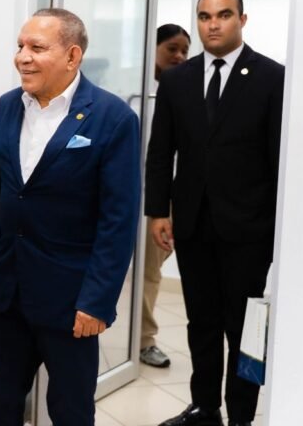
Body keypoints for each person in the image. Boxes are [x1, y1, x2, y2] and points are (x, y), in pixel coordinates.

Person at [0, 8, 141, 426]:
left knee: (70, 411)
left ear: (72, 56)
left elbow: (117, 222)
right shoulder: (9, 106)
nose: (22, 57)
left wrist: (97, 300)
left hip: (70, 300)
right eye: (20, 46)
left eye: (37, 48)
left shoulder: (112, 118)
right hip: (7, 290)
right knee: (0, 402)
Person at [147, 0, 283, 426]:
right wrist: (158, 210)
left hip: (249, 229)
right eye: (205, 16)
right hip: (192, 225)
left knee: (246, 329)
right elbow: (161, 150)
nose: (213, 24)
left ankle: (242, 415)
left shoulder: (273, 77)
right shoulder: (177, 80)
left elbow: (279, 159)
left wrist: (278, 228)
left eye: (224, 15)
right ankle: (205, 407)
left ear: (242, 20)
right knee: (201, 323)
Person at [140, 23, 191, 369]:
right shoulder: (136, 92)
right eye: (172, 48)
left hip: (160, 201)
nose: (180, 56)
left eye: (185, 50)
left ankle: (144, 340)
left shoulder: (183, 93)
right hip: (124, 194)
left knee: (150, 271)